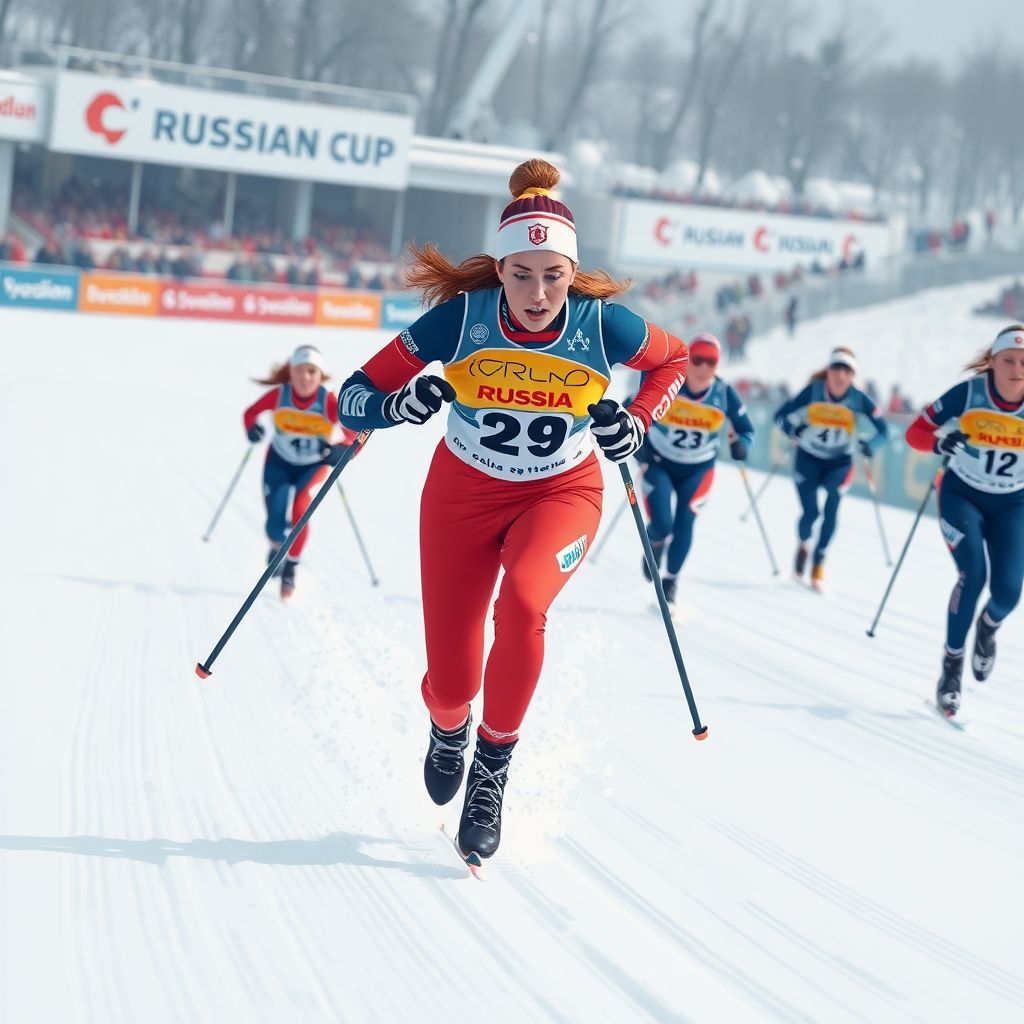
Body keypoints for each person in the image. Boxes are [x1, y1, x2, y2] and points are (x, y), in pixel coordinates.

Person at [337, 159, 688, 862]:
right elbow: (351, 397)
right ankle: (448, 727)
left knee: (525, 605)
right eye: (522, 274)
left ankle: (493, 770)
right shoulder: (457, 322)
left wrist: (640, 421)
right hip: (462, 495)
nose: (537, 292)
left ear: (572, 272)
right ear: (499, 270)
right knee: (451, 684)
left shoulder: (602, 325)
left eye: (553, 275)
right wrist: (395, 406)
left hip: (561, 493)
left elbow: (674, 362)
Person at [905, 324, 1024, 717]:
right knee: (973, 575)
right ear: (992, 362)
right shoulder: (970, 394)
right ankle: (951, 670)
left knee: (1008, 592)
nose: (1017, 369)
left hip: (1012, 503)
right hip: (962, 494)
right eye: (1009, 360)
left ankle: (988, 628)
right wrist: (941, 441)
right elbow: (915, 433)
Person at [636, 332, 755, 601]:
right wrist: (639, 445)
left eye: (710, 362)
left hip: (698, 470)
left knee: (685, 523)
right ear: (687, 360)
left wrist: (742, 446)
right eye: (697, 359)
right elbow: (631, 408)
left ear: (717, 365)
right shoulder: (670, 382)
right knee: (662, 524)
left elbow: (747, 430)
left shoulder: (724, 394)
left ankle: (671, 582)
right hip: (660, 463)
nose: (703, 368)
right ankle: (654, 542)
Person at [243, 345, 355, 600]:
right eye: (300, 371)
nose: (305, 378)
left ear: (320, 375)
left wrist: (342, 449)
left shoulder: (328, 402)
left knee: (300, 511)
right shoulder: (279, 396)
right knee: (274, 526)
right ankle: (277, 546)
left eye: (311, 371)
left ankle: (291, 567)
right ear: (290, 374)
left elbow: (355, 436)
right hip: (279, 464)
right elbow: (250, 414)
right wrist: (253, 430)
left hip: (313, 466)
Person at [773, 347, 889, 590]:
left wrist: (871, 445)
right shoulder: (814, 391)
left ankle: (819, 559)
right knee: (810, 514)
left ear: (852, 375)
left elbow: (884, 431)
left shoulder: (859, 399)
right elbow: (780, 417)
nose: (840, 376)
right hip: (808, 458)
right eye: (836, 368)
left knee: (833, 506)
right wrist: (795, 430)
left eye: (847, 371)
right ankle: (804, 545)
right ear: (828, 371)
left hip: (840, 461)